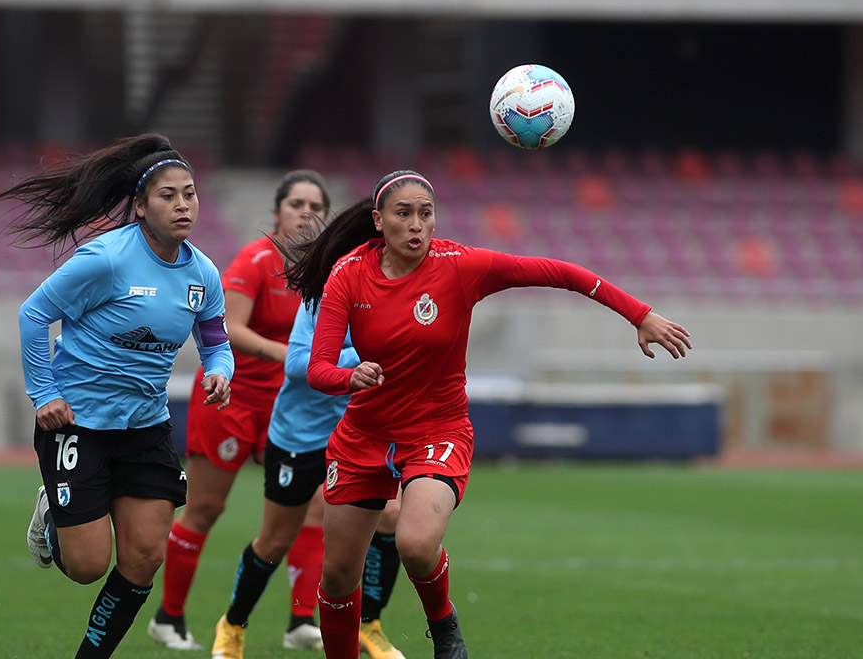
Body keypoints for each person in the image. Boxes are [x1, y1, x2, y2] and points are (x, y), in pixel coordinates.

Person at [282, 170, 693, 659]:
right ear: (378, 220)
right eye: (404, 213)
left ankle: (445, 628)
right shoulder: (349, 273)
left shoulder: (460, 265)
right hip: (363, 433)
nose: (417, 225)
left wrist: (639, 314)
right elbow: (318, 368)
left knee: (414, 543)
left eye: (426, 214)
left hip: (437, 428)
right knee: (338, 576)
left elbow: (558, 273)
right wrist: (349, 378)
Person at [0, 133, 234, 659]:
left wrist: (219, 371)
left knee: (144, 557)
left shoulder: (203, 272)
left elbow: (216, 342)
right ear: (139, 206)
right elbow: (33, 314)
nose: (183, 204)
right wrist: (43, 391)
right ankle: (52, 513)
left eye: (189, 193)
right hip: (76, 423)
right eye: (168, 195)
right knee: (88, 565)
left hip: (145, 427)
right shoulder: (106, 259)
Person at [149, 170, 333, 651]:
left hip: (287, 409)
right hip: (229, 397)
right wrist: (292, 356)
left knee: (314, 508)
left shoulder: (327, 271)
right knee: (206, 508)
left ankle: (300, 622)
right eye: (296, 203)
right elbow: (229, 328)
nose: (306, 213)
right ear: (277, 213)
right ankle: (168, 617)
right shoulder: (255, 260)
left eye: (316, 206)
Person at [211, 300, 407, 659]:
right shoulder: (322, 300)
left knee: (391, 516)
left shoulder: (395, 295)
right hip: (299, 438)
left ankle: (369, 626)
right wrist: (358, 364)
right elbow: (298, 364)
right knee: (274, 542)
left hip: (358, 433)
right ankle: (233, 625)